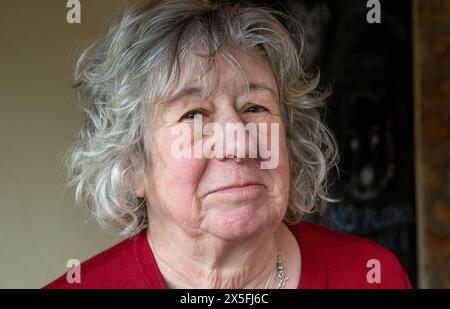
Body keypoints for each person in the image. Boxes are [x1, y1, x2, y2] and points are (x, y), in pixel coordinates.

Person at [45, 0, 411, 289]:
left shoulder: (372, 276)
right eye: (194, 115)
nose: (238, 143)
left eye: (255, 107)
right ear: (133, 163)